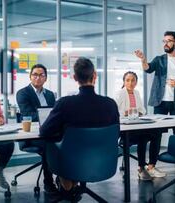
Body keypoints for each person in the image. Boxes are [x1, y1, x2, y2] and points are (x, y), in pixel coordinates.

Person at [39, 57, 119, 200]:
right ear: (95, 76)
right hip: (103, 162)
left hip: (70, 162)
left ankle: (67, 182)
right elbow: (116, 133)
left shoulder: (65, 103)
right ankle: (70, 182)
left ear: (75, 77)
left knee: (52, 143)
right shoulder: (110, 104)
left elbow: (44, 131)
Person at [134, 31, 175, 135]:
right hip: (160, 101)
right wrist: (143, 60)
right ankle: (154, 152)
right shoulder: (159, 59)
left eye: (169, 41)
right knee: (156, 132)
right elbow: (148, 69)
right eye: (164, 41)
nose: (165, 43)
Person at [115, 71, 166, 180]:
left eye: (133, 80)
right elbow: (114, 111)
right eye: (127, 80)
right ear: (124, 82)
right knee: (142, 136)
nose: (130, 83)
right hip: (126, 130)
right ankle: (141, 168)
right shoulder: (120, 93)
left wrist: (138, 112)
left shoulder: (136, 93)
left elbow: (142, 110)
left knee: (157, 133)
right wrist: (126, 112)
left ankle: (151, 166)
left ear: (136, 82)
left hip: (137, 125)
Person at [16, 64, 57, 194]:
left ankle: (65, 180)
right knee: (49, 144)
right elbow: (28, 114)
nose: (38, 78)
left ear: (45, 78)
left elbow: (55, 113)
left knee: (67, 139)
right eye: (35, 74)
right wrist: (49, 116)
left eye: (41, 75)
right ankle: (48, 183)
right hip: (32, 136)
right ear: (30, 76)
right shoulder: (23, 93)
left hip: (49, 131)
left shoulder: (50, 95)